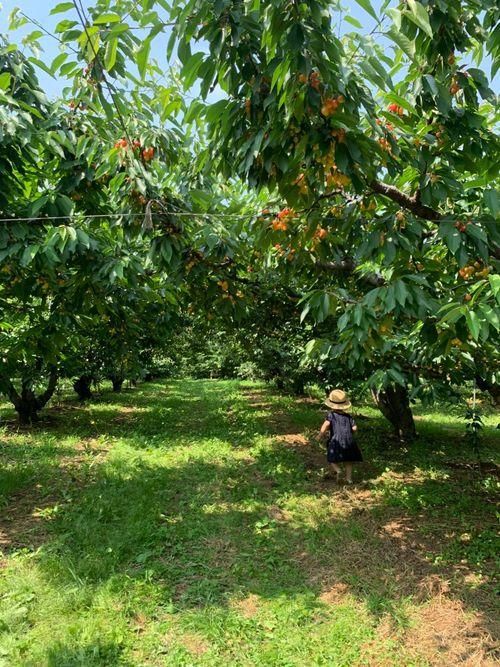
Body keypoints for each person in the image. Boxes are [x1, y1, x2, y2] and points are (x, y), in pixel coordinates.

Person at [319, 389, 362, 484]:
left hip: (336, 440)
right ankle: (349, 479)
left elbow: (325, 425)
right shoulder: (349, 416)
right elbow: (355, 428)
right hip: (349, 441)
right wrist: (351, 433)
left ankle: (338, 470)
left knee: (331, 458)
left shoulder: (331, 415)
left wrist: (320, 435)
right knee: (349, 461)